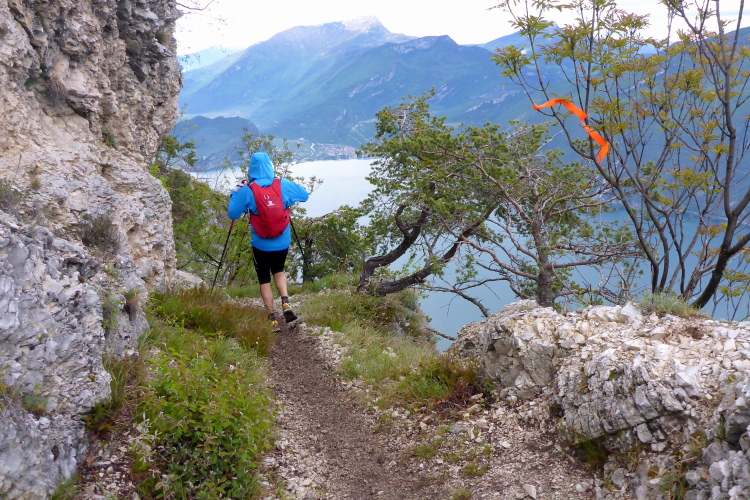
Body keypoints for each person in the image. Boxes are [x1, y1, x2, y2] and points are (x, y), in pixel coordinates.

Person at [228, 152, 309, 331]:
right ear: (270, 166)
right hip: (282, 241)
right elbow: (304, 195)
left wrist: (236, 191)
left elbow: (232, 213)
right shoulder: (282, 184)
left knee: (264, 278)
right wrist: (286, 198)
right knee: (278, 270)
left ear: (251, 169)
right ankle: (285, 302)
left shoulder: (249, 189)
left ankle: (272, 319)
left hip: (261, 244)